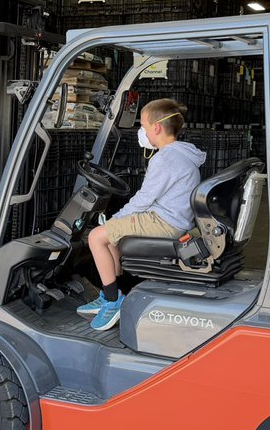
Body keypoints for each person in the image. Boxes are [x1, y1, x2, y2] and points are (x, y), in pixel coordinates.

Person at [80, 98, 206, 331]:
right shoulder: (182, 154)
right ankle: (111, 291)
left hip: (164, 221)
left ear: (156, 128)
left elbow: (144, 199)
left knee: (96, 237)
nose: (143, 131)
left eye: (144, 126)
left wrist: (117, 217)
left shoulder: (165, 158)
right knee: (111, 234)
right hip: (173, 218)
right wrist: (119, 220)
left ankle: (112, 301)